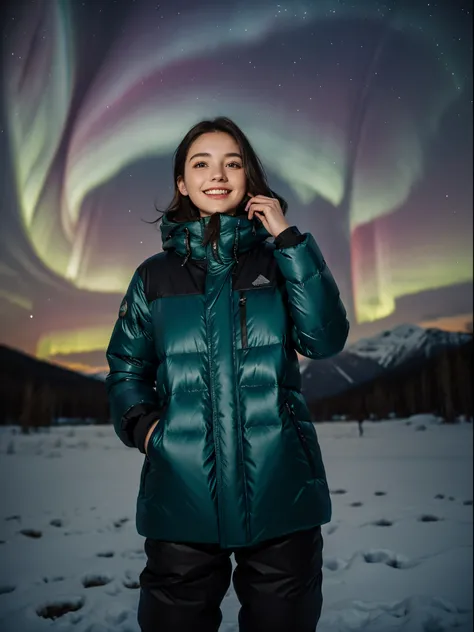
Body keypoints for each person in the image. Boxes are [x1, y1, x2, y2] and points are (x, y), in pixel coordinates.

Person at [105, 116, 350, 632]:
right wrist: (149, 432)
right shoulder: (154, 276)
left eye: (232, 163)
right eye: (201, 163)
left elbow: (324, 339)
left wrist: (288, 240)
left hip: (283, 494)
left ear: (249, 178)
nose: (217, 174)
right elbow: (127, 368)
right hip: (181, 498)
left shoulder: (280, 258)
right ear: (181, 182)